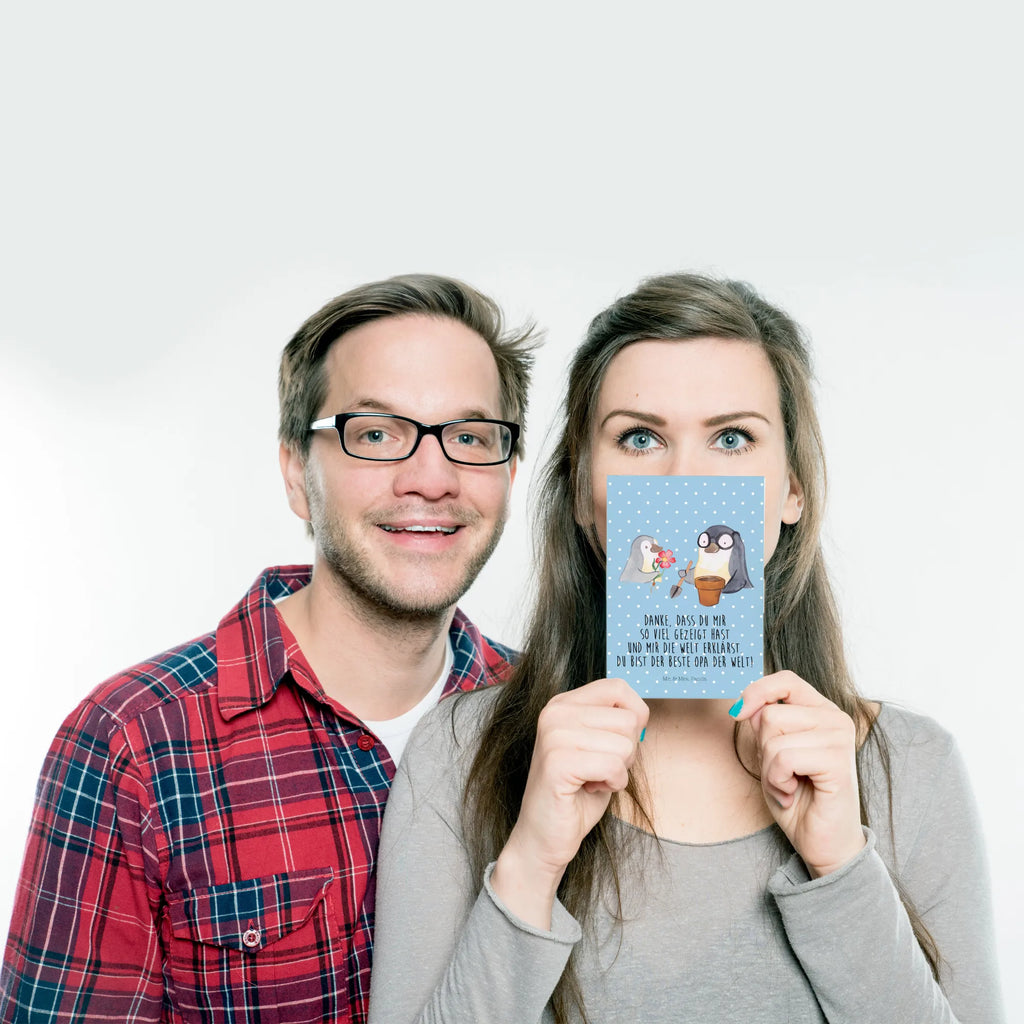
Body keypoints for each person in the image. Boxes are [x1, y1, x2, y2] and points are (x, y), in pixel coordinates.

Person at [367, 273, 1004, 1023]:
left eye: (732, 438)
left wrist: (840, 866)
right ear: (581, 491)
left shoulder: (912, 768)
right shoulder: (459, 754)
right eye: (640, 438)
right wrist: (531, 861)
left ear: (791, 489)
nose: (686, 478)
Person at [0, 273, 537, 1024]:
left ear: (509, 473)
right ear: (296, 473)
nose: (431, 478)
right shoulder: (130, 743)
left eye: (470, 438)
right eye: (376, 434)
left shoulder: (546, 716)